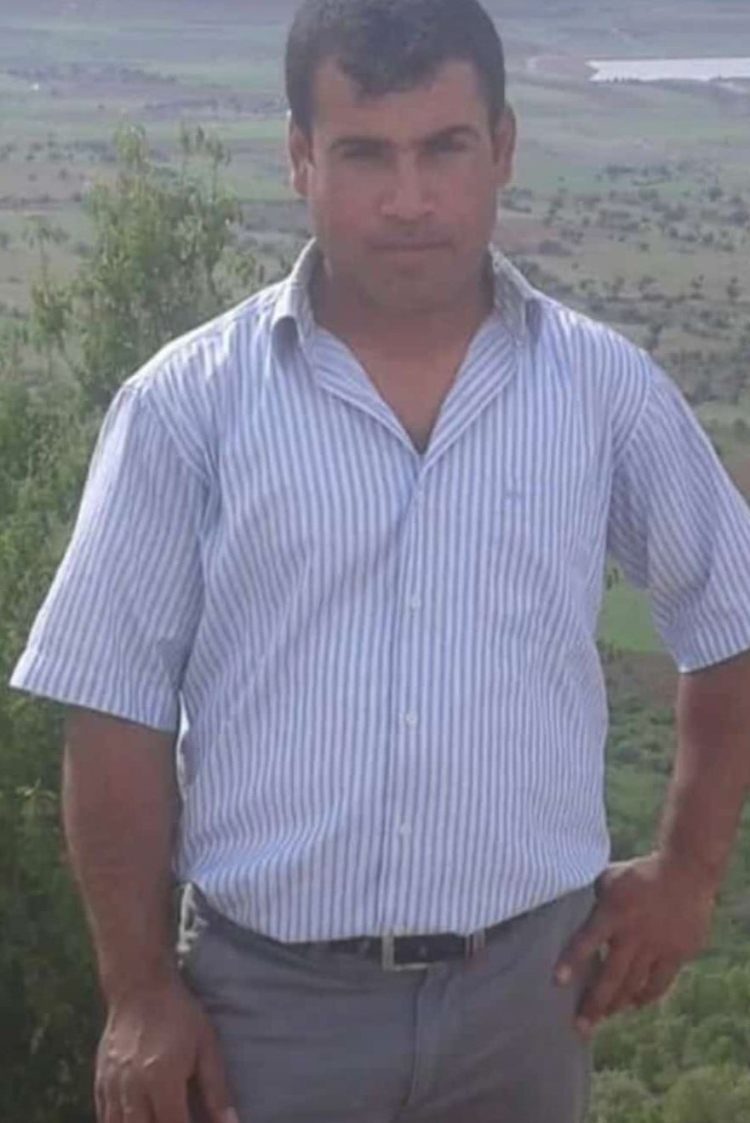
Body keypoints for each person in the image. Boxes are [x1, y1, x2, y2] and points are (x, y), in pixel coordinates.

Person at [10, 0, 750, 1120]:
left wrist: (689, 875)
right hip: (264, 1015)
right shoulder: (185, 407)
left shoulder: (605, 392)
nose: (409, 200)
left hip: (528, 1005)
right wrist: (140, 991)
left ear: (502, 147)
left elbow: (728, 616)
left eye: (445, 148)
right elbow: (113, 706)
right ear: (301, 156)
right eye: (365, 153)